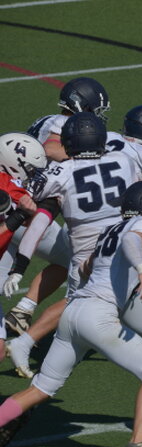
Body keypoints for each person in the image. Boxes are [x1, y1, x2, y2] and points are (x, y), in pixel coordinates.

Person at [5, 110, 142, 440]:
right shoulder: (126, 165)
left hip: (85, 272)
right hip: (120, 273)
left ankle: (17, 399)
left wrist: (20, 265)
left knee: (52, 374)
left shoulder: (63, 172)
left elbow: (40, 209)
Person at [0, 181, 142, 447]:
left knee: (40, 390)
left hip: (72, 312)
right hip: (99, 315)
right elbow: (131, 240)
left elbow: (86, 266)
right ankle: (139, 441)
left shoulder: (110, 228)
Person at [3, 76, 110, 336]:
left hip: (14, 207)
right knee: (68, 260)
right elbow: (50, 148)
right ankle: (23, 310)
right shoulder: (63, 123)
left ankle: (17, 317)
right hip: (28, 211)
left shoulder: (48, 118)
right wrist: (87, 155)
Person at [0, 132, 47, 362]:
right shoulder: (7, 191)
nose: (32, 175)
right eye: (29, 169)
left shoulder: (9, 186)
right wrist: (19, 215)